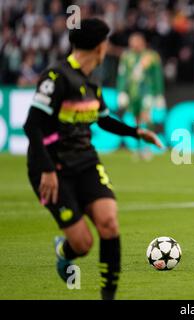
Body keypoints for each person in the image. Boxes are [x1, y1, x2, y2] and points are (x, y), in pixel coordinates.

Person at [23, 18, 162, 300]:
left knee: (109, 223)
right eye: (106, 43)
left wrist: (137, 132)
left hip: (85, 162)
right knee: (83, 244)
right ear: (100, 47)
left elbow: (104, 120)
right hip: (53, 167)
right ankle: (64, 250)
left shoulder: (91, 84)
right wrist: (47, 170)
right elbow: (32, 126)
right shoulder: (56, 78)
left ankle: (107, 296)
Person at [116, 32, 166, 159]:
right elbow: (122, 75)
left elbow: (157, 75)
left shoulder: (151, 56)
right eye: (132, 42)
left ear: (142, 42)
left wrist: (159, 94)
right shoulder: (126, 57)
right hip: (134, 93)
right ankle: (138, 148)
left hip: (147, 91)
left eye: (136, 41)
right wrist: (121, 91)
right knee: (136, 120)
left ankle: (148, 148)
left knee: (146, 117)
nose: (133, 45)